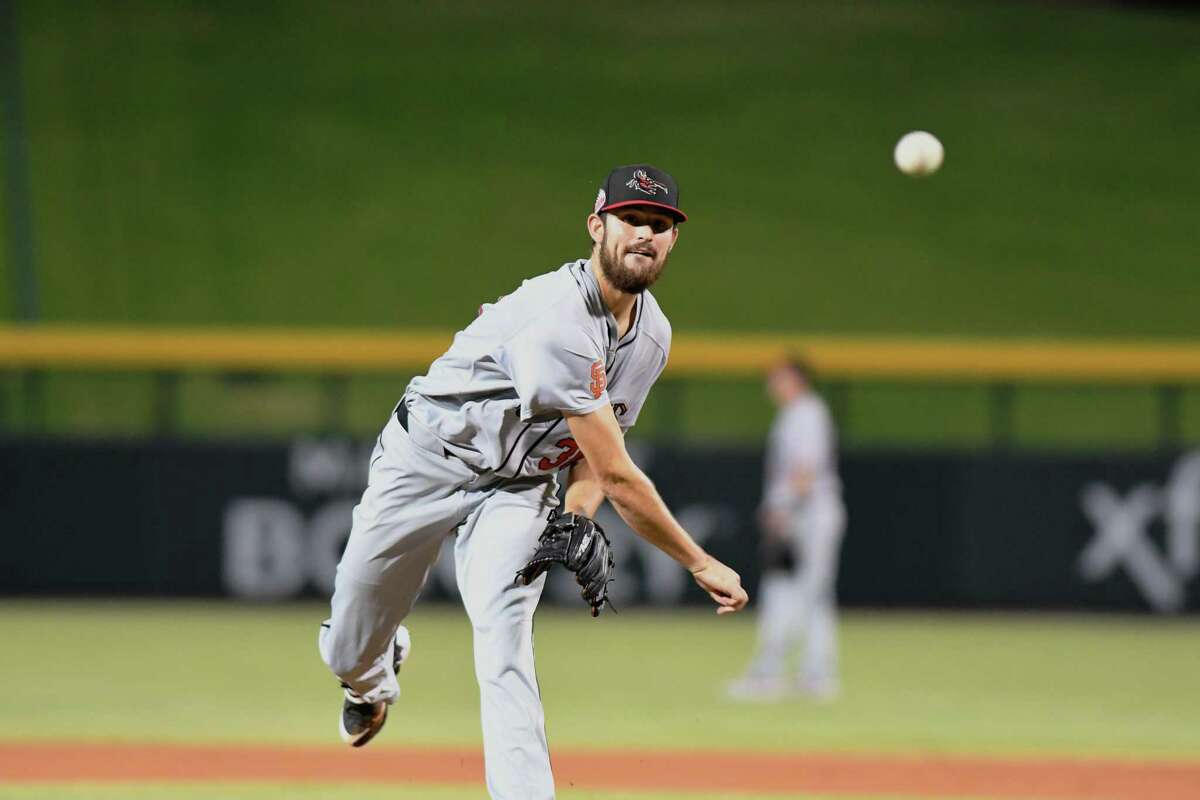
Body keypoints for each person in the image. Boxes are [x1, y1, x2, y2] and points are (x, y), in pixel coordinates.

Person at [317, 164, 748, 799]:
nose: (646, 235)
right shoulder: (557, 322)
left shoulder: (652, 337)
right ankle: (369, 680)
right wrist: (697, 560)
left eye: (660, 225)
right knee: (347, 647)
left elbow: (597, 448)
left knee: (505, 641)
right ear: (596, 226)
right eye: (632, 220)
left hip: (519, 489)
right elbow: (620, 477)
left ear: (673, 241)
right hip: (428, 464)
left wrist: (575, 513)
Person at [727, 358, 846, 702]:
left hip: (807, 515)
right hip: (808, 513)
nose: (771, 383)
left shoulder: (806, 413)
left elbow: (806, 470)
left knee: (787, 592)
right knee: (813, 596)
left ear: (795, 379)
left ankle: (770, 673)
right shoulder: (800, 413)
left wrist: (781, 509)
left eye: (777, 377)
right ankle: (817, 675)